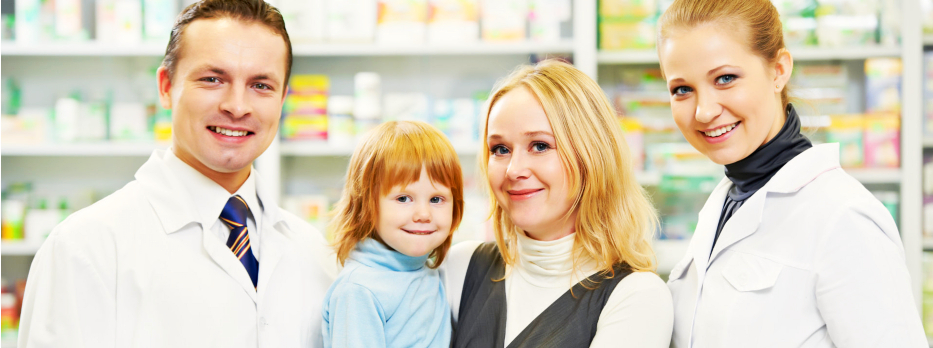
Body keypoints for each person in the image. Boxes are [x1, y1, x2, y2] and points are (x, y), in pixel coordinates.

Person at [17, 1, 337, 347]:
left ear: (282, 99)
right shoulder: (86, 248)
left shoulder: (315, 253)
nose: (237, 106)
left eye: (261, 85)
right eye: (213, 79)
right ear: (166, 87)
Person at [656, 0, 927, 347]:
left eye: (725, 78)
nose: (704, 111)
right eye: (682, 89)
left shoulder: (843, 217)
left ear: (779, 70)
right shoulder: (724, 203)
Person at [443, 59, 673, 348]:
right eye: (500, 149)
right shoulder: (461, 268)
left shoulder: (636, 297)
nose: (514, 170)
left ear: (592, 156)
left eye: (540, 146)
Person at [321, 121, 463, 348]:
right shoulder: (359, 291)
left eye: (436, 199)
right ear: (366, 204)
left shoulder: (427, 270)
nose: (423, 214)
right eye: (403, 198)